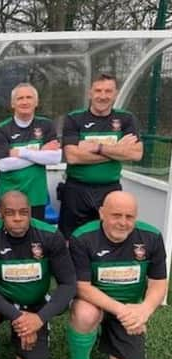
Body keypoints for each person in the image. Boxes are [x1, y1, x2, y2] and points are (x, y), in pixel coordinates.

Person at [66, 191, 167, 359]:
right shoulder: (82, 237)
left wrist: (143, 311)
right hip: (95, 303)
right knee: (85, 314)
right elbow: (82, 287)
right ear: (102, 213)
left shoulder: (152, 237)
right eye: (116, 215)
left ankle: (106, 334)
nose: (123, 222)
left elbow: (158, 283)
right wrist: (122, 311)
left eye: (129, 217)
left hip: (129, 308)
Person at [0, 191, 76, 359]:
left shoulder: (50, 235)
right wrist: (17, 317)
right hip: (2, 302)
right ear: (0, 213)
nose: (17, 218)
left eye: (23, 212)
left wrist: (39, 319)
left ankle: (34, 331)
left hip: (36, 305)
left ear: (30, 213)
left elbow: (68, 284)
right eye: (10, 213)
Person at [59, 74, 143, 239]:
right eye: (98, 90)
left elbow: (136, 153)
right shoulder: (74, 118)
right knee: (71, 240)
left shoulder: (126, 119)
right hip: (76, 190)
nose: (103, 96)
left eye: (108, 91)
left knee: (108, 237)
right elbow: (72, 156)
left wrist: (98, 147)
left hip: (110, 189)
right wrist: (117, 150)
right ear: (90, 93)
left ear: (115, 94)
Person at [0, 83, 61, 221]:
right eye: (20, 98)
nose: (25, 101)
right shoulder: (1, 129)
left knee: (36, 239)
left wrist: (22, 152)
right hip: (9, 197)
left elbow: (55, 157)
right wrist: (40, 153)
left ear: (36, 102)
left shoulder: (46, 125)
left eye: (29, 97)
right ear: (13, 103)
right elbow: (3, 164)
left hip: (36, 197)